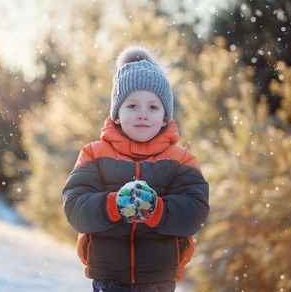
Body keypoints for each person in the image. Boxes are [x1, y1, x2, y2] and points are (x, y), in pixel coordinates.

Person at [62, 45, 210, 292]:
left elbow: (193, 212)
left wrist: (157, 210)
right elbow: (75, 207)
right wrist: (113, 205)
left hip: (158, 281)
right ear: (116, 114)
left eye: (153, 107)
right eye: (132, 106)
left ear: (165, 117)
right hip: (109, 281)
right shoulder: (94, 154)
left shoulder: (182, 160)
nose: (143, 114)